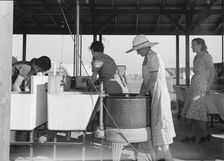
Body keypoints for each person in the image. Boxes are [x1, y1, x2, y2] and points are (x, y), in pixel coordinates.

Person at [126, 35, 176, 161]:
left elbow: (153, 80)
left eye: (138, 50)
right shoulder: (146, 58)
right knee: (156, 130)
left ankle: (168, 158)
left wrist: (142, 94)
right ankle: (159, 158)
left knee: (161, 127)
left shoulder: (154, 57)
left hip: (159, 95)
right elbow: (145, 80)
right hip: (154, 95)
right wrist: (140, 94)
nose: (137, 52)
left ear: (145, 47)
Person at [181, 38, 215, 143]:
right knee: (194, 113)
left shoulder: (206, 56)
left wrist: (207, 88)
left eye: (193, 45)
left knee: (196, 112)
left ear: (200, 45)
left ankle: (201, 135)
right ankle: (202, 135)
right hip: (195, 87)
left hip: (201, 88)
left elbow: (212, 72)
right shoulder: (196, 57)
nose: (191, 47)